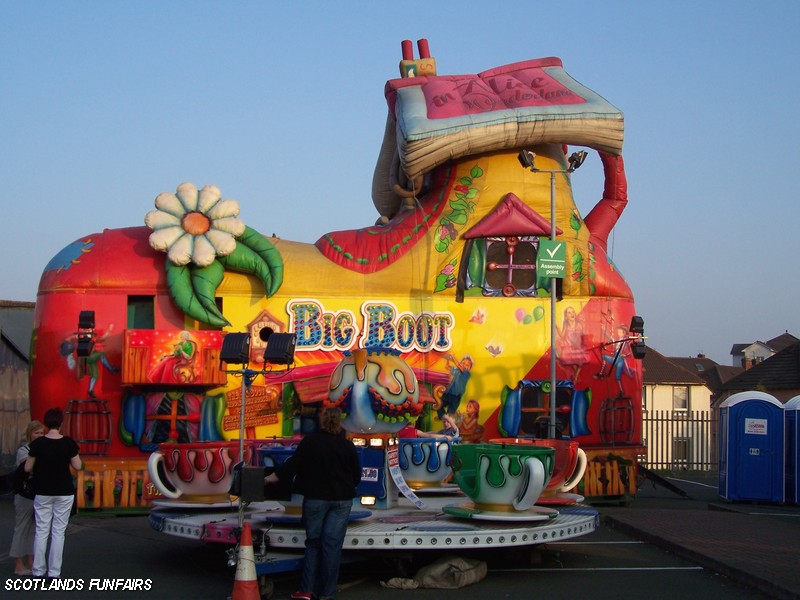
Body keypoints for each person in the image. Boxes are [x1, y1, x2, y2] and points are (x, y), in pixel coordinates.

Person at [265, 407, 361, 600]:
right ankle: (328, 593)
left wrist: (269, 478)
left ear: (323, 421)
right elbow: (356, 476)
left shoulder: (310, 442)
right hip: (341, 500)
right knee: (332, 546)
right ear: (339, 422)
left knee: (313, 543)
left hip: (315, 498)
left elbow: (292, 465)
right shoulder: (347, 446)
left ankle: (306, 589)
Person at [25, 408, 82, 579]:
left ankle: (37, 571)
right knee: (58, 532)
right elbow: (78, 466)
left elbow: (28, 467)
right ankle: (54, 573)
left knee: (41, 531)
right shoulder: (69, 443)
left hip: (42, 491)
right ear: (61, 423)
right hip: (64, 491)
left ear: (46, 423)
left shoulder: (38, 444)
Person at [9, 421, 45, 576]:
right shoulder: (23, 451)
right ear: (30, 434)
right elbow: (27, 466)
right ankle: (18, 564)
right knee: (22, 528)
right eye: (36, 433)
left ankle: (32, 561)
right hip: (24, 493)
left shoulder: (44, 449)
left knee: (35, 530)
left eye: (42, 433)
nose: (39, 436)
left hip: (39, 493)